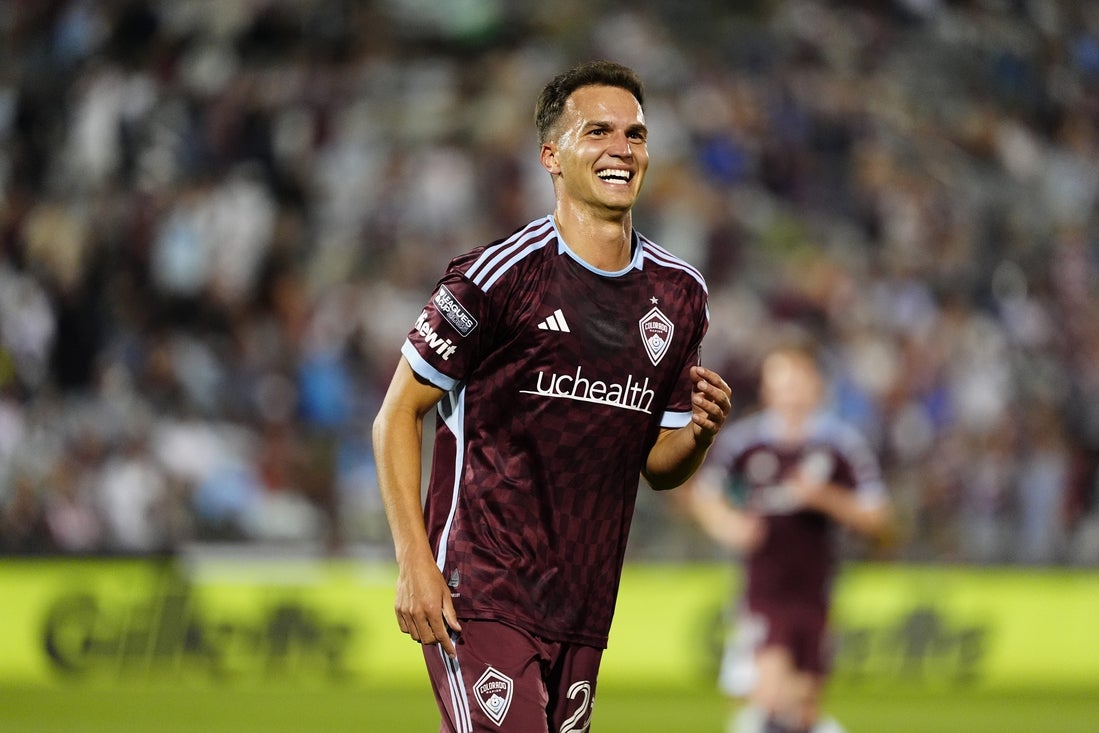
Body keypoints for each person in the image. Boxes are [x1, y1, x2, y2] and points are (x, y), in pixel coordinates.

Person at [372, 59, 732, 732]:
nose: (621, 148)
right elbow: (397, 414)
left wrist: (698, 435)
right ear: (551, 157)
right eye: (597, 131)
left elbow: (658, 466)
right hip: (480, 588)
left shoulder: (680, 294)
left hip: (584, 604)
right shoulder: (497, 277)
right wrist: (414, 560)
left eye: (634, 134)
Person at [685, 342, 893, 733]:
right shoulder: (745, 442)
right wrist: (729, 525)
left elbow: (879, 519)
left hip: (817, 590)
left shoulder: (841, 445)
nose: (789, 394)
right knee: (771, 697)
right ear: (767, 390)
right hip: (763, 589)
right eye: (780, 384)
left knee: (802, 712)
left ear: (816, 386)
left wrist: (824, 497)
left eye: (797, 383)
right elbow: (704, 496)